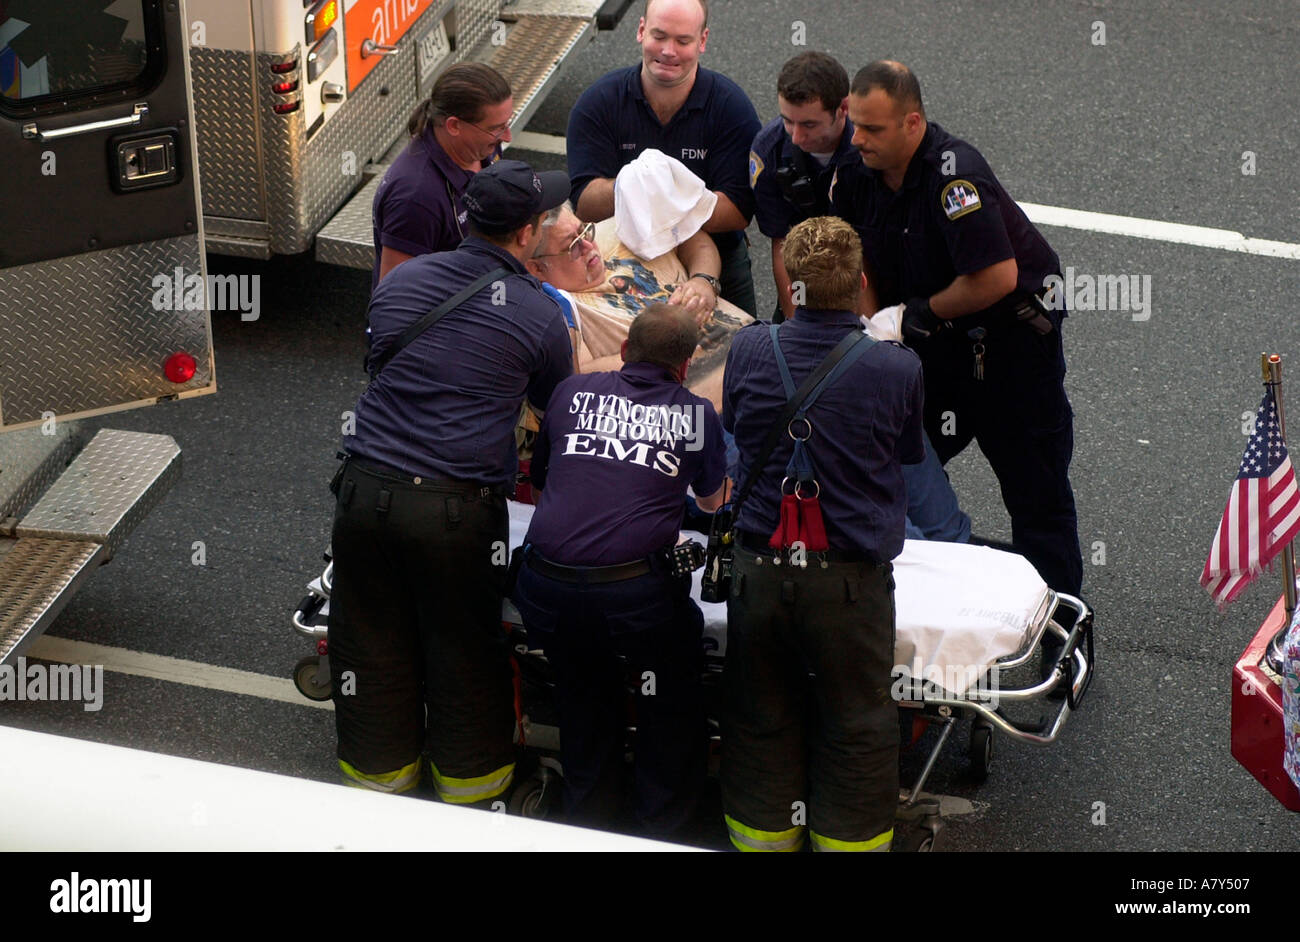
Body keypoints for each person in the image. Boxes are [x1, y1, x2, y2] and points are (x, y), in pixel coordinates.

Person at [329, 159, 574, 799]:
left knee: (371, 643)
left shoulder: (403, 280)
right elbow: (559, 409)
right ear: (526, 235)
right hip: (456, 513)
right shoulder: (540, 313)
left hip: (363, 493)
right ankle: (473, 790)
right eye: (545, 218)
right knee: (463, 650)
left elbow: (380, 362)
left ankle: (379, 784)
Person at [829, 60, 1082, 600]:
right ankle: (922, 598)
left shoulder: (954, 176)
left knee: (1036, 498)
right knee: (893, 471)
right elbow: (858, 256)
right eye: (856, 125)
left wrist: (912, 316)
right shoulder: (856, 173)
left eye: (873, 129)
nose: (858, 139)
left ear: (913, 124)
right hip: (932, 359)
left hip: (1008, 358)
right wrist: (874, 322)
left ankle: (1057, 618)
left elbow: (995, 276)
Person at [720, 215, 924, 852]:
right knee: (857, 723)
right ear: (861, 284)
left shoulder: (749, 349)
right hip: (848, 585)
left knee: (759, 716)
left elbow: (738, 430)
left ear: (790, 283)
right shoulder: (897, 369)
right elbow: (907, 453)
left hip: (759, 569)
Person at [511, 303, 727, 838]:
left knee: (582, 694)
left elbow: (541, 487)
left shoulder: (571, 392)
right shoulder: (696, 416)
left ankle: (589, 820)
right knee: (670, 696)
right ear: (686, 365)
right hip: (635, 598)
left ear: (626, 349)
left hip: (547, 585)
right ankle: (663, 822)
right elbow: (712, 501)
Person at [565, 0, 762, 316]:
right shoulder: (598, 103)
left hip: (721, 261)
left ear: (703, 41)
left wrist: (651, 199)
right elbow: (585, 203)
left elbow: (738, 211)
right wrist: (638, 183)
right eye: (660, 36)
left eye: (683, 41)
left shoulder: (731, 109)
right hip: (622, 261)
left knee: (740, 354)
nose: (669, 50)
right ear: (641, 31)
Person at [370, 63, 512, 288]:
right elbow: (396, 297)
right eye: (497, 128)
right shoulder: (415, 197)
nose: (507, 137)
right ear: (454, 126)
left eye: (507, 123)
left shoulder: (481, 146)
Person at [749, 51, 858, 323]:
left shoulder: (869, 148)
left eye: (809, 124)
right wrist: (797, 326)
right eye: (788, 121)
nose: (796, 137)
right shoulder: (768, 151)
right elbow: (782, 243)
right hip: (803, 279)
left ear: (843, 108)